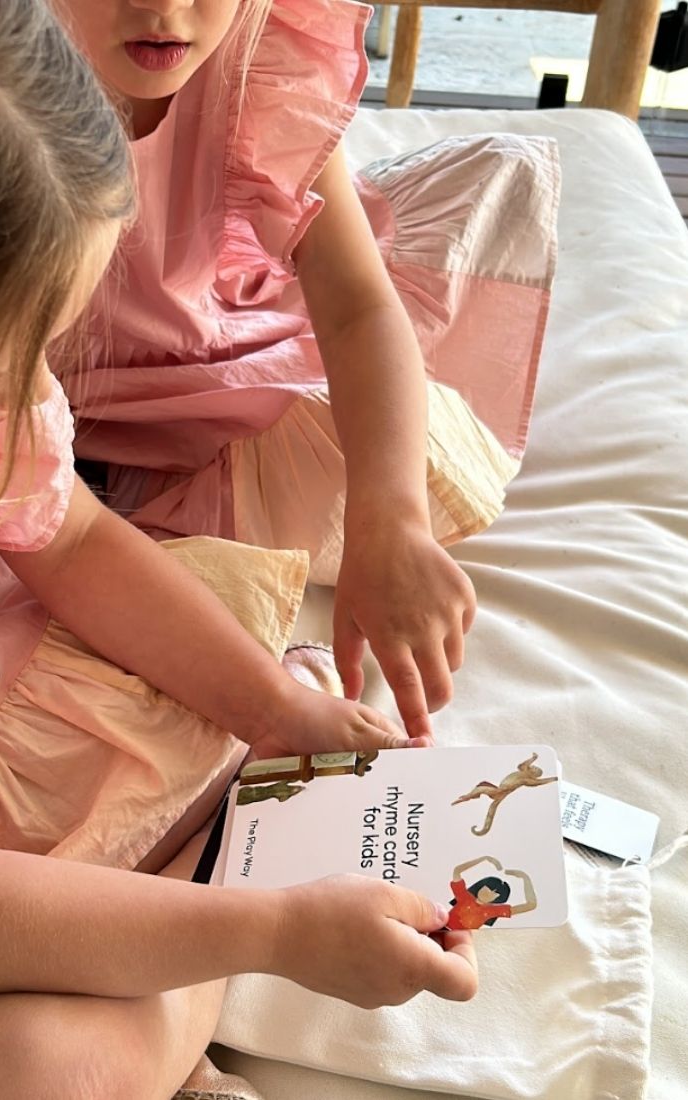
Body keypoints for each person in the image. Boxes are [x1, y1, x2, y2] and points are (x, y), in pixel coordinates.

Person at [0, 4, 478, 1099]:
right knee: (33, 1072)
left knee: (191, 677)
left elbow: (75, 538)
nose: (14, 391)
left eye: (34, 346)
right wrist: (268, 929)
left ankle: (185, 922)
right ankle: (182, 984)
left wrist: (282, 717)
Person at [54, 0, 559, 742]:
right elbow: (28, 487)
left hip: (215, 345)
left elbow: (357, 304)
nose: (162, 9)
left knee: (404, 452)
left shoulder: (256, 56)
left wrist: (391, 523)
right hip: (49, 392)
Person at [447, 857, 538, 931]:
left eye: (495, 893)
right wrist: (484, 859)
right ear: (481, 886)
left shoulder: (492, 911)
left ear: (498, 898)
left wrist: (525, 878)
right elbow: (457, 871)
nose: (488, 893)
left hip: (458, 940)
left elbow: (531, 905)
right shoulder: (464, 897)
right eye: (488, 888)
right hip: (440, 929)